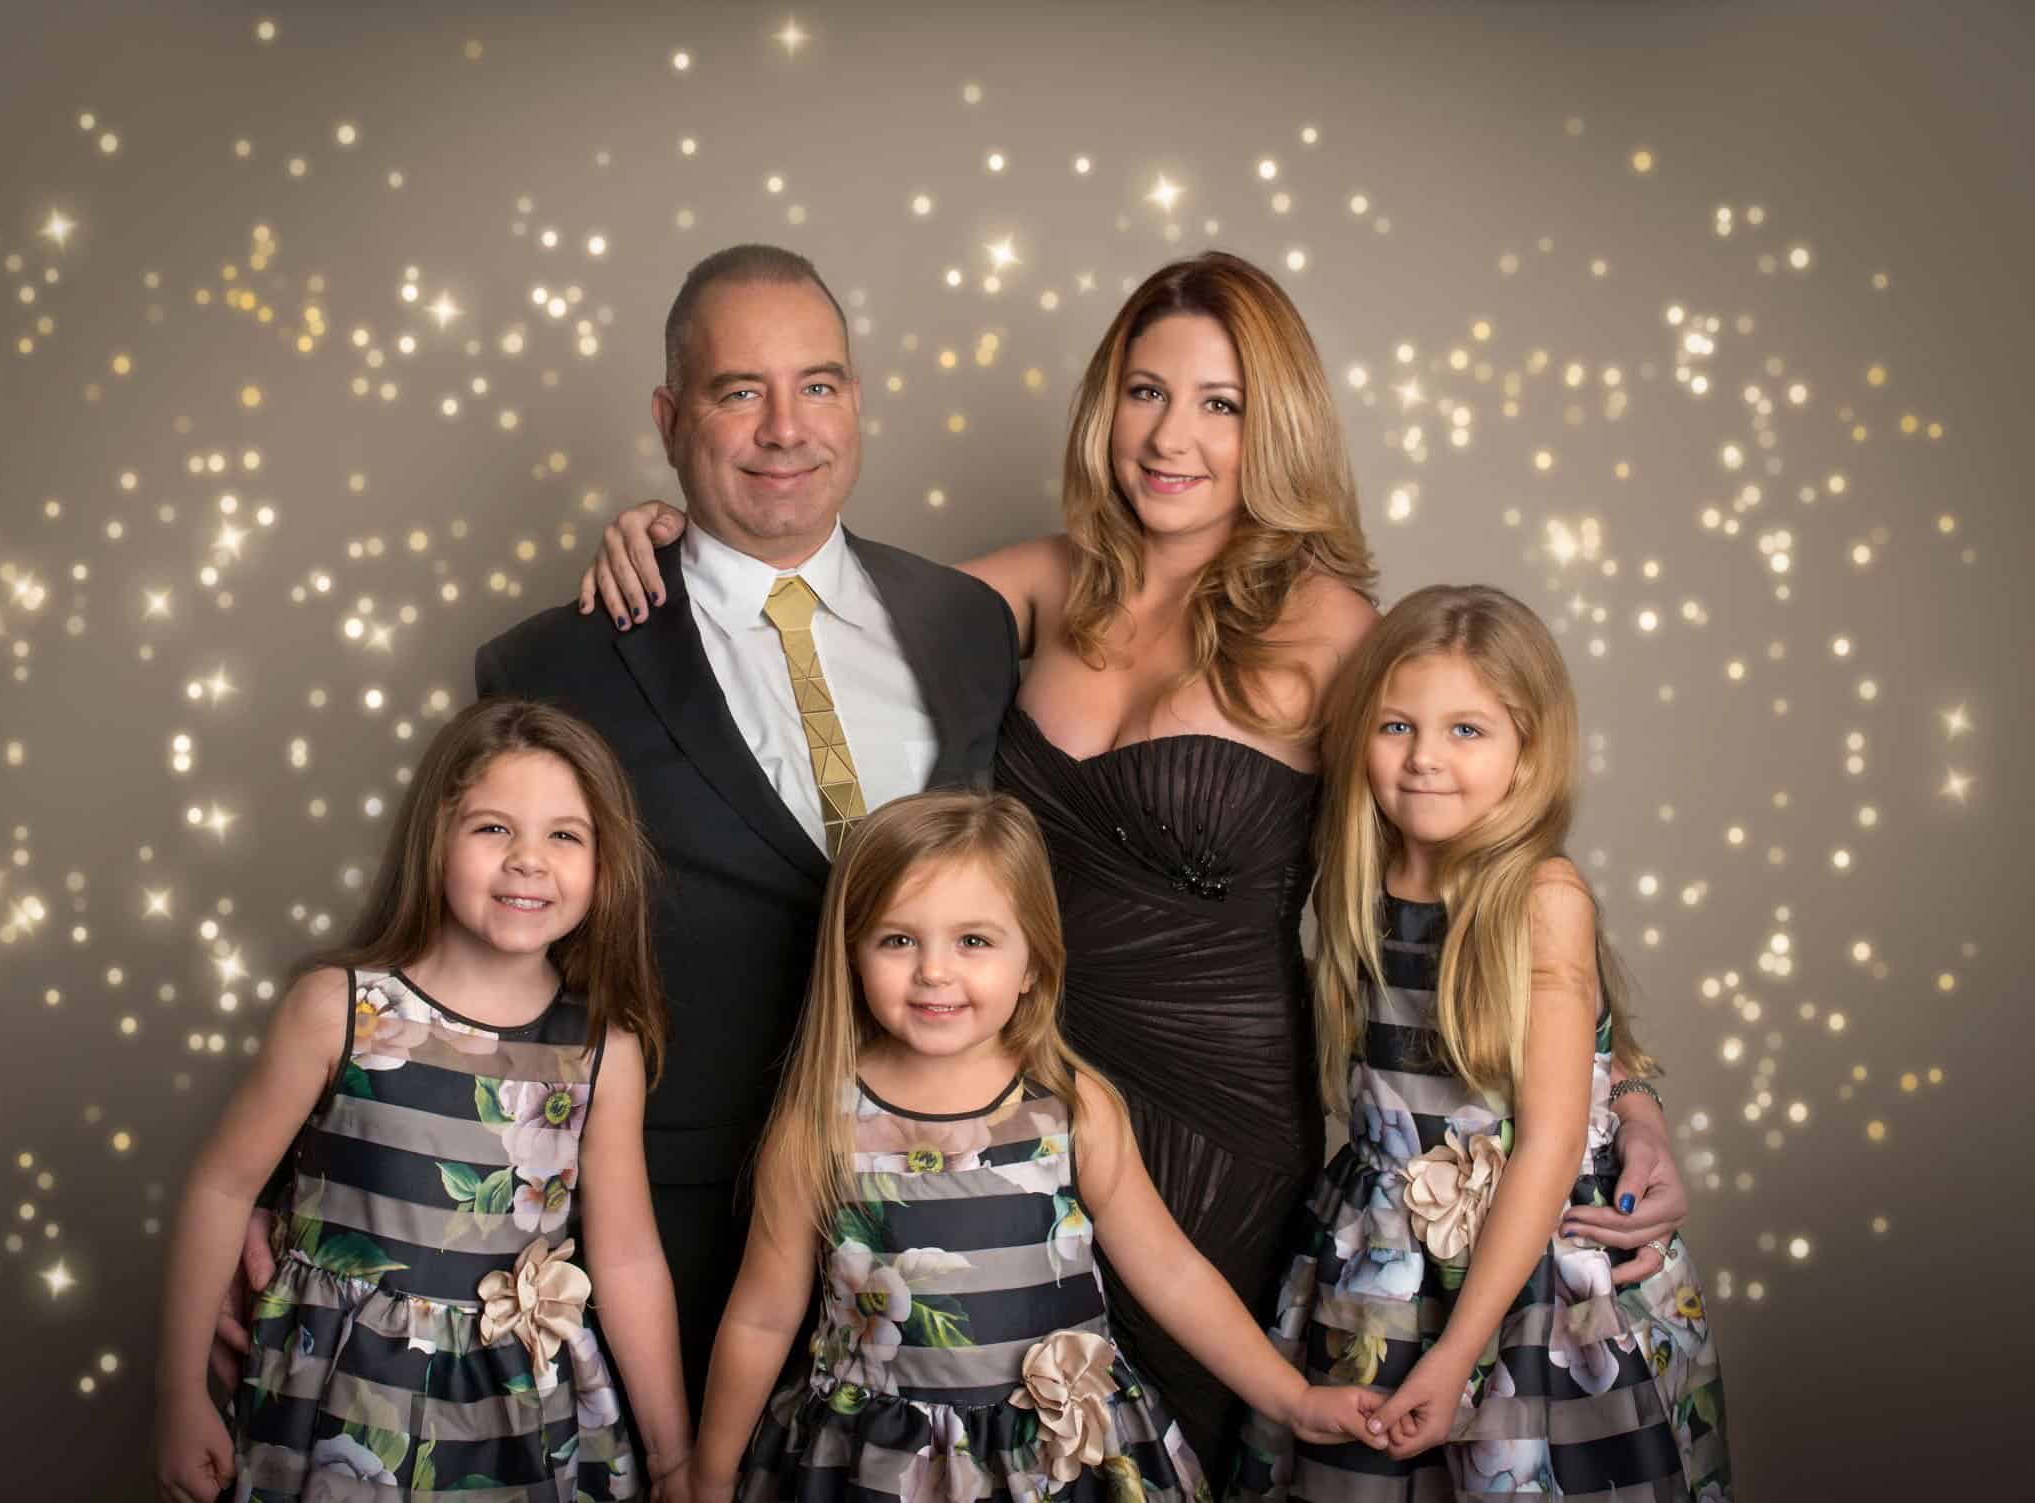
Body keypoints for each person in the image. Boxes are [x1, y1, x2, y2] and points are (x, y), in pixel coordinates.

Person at [578, 251, 1685, 1464]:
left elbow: (1479, 879)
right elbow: (804, 593)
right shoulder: (1037, 586)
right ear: (1107, 405)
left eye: (1222, 404)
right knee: (1007, 1430)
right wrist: (685, 534)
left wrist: (1626, 1100)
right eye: (1147, 392)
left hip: (1220, 1111)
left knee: (1184, 1452)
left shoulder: (1330, 630)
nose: (1174, 436)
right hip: (1008, 1083)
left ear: (1275, 430)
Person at [214, 244, 1021, 1407]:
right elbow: (470, 928)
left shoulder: (970, 622)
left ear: (857, 400)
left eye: (820, 384)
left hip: (942, 1209)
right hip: (676, 1212)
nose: (786, 428)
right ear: (669, 416)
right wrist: (286, 1173)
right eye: (739, 392)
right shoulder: (557, 662)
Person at [693, 790, 1387, 1503]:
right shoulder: (818, 1125)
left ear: (1031, 961)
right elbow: (762, 1314)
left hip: (1061, 1462)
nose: (934, 970)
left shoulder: (1071, 1107)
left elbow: (1172, 1275)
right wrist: (711, 1474)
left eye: (974, 940)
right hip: (876, 1468)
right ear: (853, 954)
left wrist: (1293, 1398)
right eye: (898, 939)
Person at [1235, 586, 1730, 1500]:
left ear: (1527, 749)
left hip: (1522, 1276)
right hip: (1376, 1259)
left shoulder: (1542, 895)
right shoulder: (1351, 872)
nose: (1425, 758)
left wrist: (1458, 1356)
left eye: (1468, 730)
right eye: (1396, 726)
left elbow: (1545, 1138)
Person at [156, 700, 692, 1502]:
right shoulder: (337, 1007)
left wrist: (674, 1455)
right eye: (493, 829)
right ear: (434, 839)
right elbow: (222, 1188)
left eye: (565, 835)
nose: (528, 861)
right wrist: (177, 1395)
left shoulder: (601, 1050)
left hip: (518, 1413)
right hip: (333, 1399)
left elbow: (627, 1259)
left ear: (604, 864)